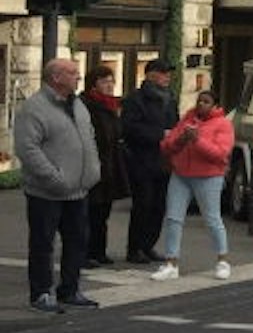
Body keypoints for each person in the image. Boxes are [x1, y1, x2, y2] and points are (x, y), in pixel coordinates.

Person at [15, 58, 101, 312]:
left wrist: (94, 170)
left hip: (79, 189)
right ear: (56, 77)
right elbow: (27, 149)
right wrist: (54, 178)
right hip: (46, 192)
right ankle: (41, 293)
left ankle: (70, 290)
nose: (79, 77)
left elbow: (89, 138)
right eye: (73, 73)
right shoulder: (34, 108)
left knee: (77, 241)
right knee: (43, 244)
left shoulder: (78, 105)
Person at [149, 90, 235, 281]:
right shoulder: (188, 119)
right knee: (173, 218)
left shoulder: (222, 124)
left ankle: (222, 260)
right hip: (181, 174)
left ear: (215, 105)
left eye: (206, 101)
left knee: (212, 219)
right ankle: (171, 262)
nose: (201, 104)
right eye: (199, 101)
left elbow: (220, 154)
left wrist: (197, 140)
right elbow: (166, 146)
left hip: (208, 176)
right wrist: (181, 140)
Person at [120, 57, 179, 264]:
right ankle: (135, 248)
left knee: (159, 206)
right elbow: (129, 128)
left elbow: (175, 124)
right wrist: (159, 134)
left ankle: (148, 245)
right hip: (142, 160)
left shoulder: (170, 99)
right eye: (163, 73)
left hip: (163, 160)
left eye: (168, 73)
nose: (167, 77)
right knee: (143, 204)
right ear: (151, 75)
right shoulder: (136, 99)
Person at [79, 64, 131, 269]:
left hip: (110, 166)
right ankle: (86, 252)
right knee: (90, 212)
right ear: (93, 84)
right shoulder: (86, 105)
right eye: (104, 82)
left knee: (103, 213)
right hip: (94, 165)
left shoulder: (111, 105)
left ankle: (99, 251)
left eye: (111, 81)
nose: (109, 85)